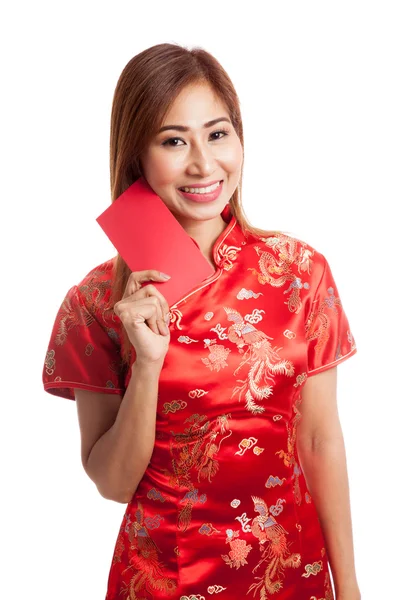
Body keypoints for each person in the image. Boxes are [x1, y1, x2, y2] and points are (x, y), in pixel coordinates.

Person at [42, 43, 361, 600]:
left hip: (292, 572)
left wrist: (350, 586)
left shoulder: (300, 271)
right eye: (173, 141)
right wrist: (147, 363)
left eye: (217, 134)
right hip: (166, 577)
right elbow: (114, 485)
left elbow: (319, 439)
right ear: (136, 156)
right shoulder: (95, 303)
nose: (203, 164)